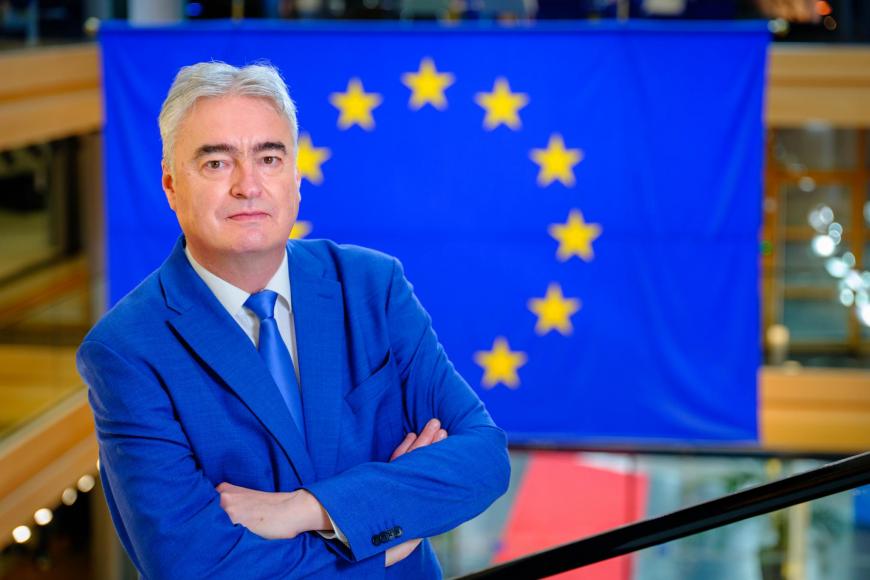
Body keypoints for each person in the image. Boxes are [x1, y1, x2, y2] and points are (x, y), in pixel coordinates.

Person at [77, 61, 510, 578]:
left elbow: (484, 458)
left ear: (296, 178)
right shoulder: (126, 351)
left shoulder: (373, 286)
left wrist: (306, 509)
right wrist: (387, 537)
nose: (248, 185)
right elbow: (193, 567)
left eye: (269, 158)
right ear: (171, 186)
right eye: (216, 163)